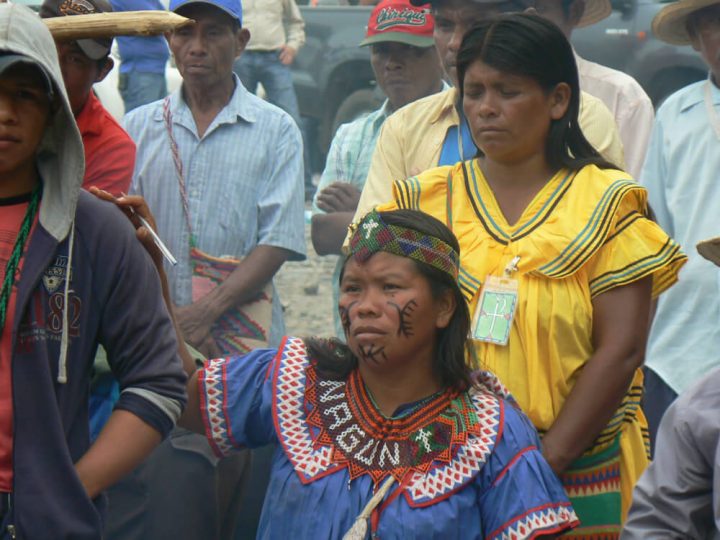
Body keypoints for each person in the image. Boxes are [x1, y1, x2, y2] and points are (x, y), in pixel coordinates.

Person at [104, 190, 581, 538]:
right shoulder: (297, 377)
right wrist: (148, 276)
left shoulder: (488, 428)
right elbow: (186, 400)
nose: (366, 306)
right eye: (353, 288)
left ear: (443, 308)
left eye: (390, 288)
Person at [378, 14, 686, 536]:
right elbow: (385, 321)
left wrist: (537, 467)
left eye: (508, 90)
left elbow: (622, 349)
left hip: (578, 468)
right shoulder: (428, 200)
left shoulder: (606, 203)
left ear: (559, 100)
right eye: (472, 91)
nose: (485, 107)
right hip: (440, 464)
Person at [120, 0, 306, 536]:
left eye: (214, 33)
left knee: (241, 470)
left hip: (240, 336)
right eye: (185, 33)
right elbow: (122, 235)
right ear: (169, 43)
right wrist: (166, 318)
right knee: (166, 473)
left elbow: (280, 241)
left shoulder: (276, 129)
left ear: (242, 42)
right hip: (159, 334)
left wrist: (204, 313)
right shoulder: (137, 128)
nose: (197, 46)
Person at [0, 4, 186, 538]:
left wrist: (67, 491)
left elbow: (159, 382)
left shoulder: (98, 231)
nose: (6, 112)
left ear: (54, 111)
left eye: (25, 94)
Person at [351, 0, 627, 224]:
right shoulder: (404, 127)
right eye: (445, 24)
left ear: (526, 21)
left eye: (476, 23)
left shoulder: (584, 118)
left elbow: (592, 238)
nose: (455, 43)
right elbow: (371, 240)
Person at [311, 0, 446, 338]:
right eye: (381, 51)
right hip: (361, 331)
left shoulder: (465, 127)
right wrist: (415, 221)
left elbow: (455, 236)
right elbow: (324, 234)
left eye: (410, 51)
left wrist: (364, 211)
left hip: (438, 331)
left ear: (439, 53)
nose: (393, 64)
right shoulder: (353, 135)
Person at [636, 0, 720, 450]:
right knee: (676, 501)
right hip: (679, 348)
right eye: (714, 24)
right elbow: (655, 241)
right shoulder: (677, 114)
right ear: (695, 38)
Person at [532, 0, 654, 178]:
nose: (524, 20)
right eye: (514, 7)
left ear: (574, 12)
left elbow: (634, 195)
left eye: (539, 8)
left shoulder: (621, 96)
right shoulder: (484, 103)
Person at [39, 0, 136, 196]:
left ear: (103, 71)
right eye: (47, 49)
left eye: (75, 59)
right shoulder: (9, 113)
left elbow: (72, 224)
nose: (55, 69)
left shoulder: (111, 148)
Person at [110, 0, 169, 112]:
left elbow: (167, 17)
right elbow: (159, 21)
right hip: (140, 73)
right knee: (142, 124)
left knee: (159, 124)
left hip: (153, 71)